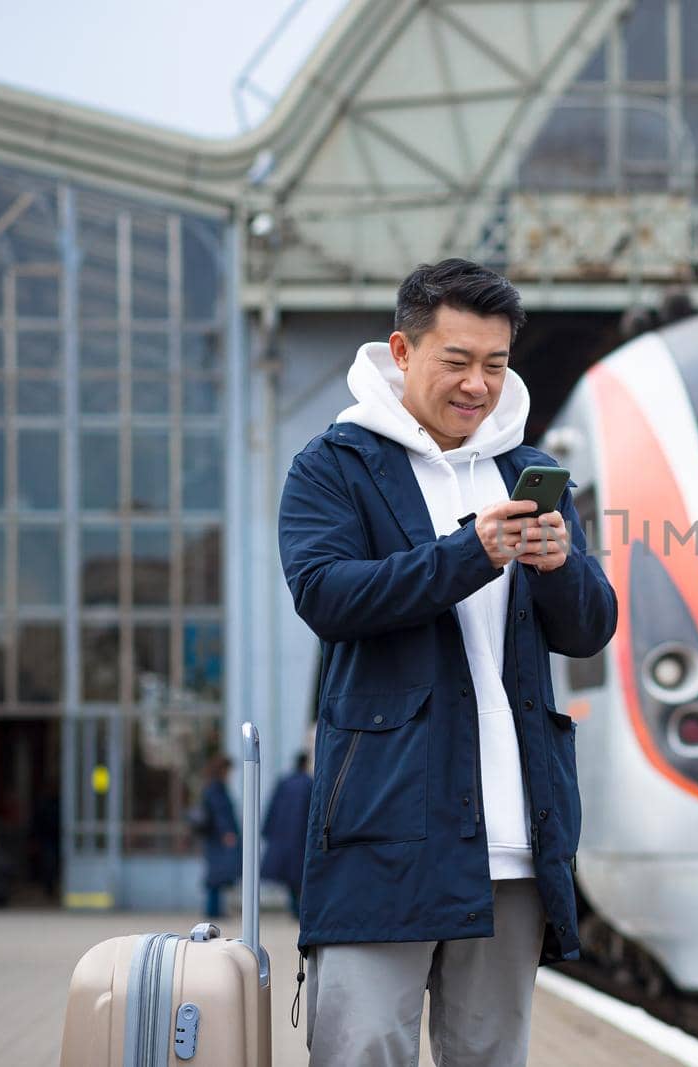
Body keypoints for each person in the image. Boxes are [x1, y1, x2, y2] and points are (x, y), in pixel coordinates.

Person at [278, 258, 616, 1067]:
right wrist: (471, 552)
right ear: (402, 350)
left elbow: (592, 627)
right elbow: (326, 595)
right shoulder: (334, 465)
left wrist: (561, 562)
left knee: (491, 1056)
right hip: (382, 828)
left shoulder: (524, 471)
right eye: (456, 361)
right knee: (364, 1050)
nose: (478, 385)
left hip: (515, 837)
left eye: (495, 365)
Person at [261, 752, 313, 918]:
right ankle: (299, 909)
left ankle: (294, 908)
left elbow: (272, 808)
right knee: (301, 874)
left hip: (284, 836)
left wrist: (267, 831)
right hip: (302, 837)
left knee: (291, 875)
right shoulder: (308, 783)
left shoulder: (284, 782)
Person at [198, 754, 239, 919]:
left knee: (217, 874)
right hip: (218, 838)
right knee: (217, 875)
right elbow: (220, 813)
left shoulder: (212, 787)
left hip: (215, 837)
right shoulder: (216, 788)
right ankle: (213, 909)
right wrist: (227, 832)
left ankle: (214, 908)